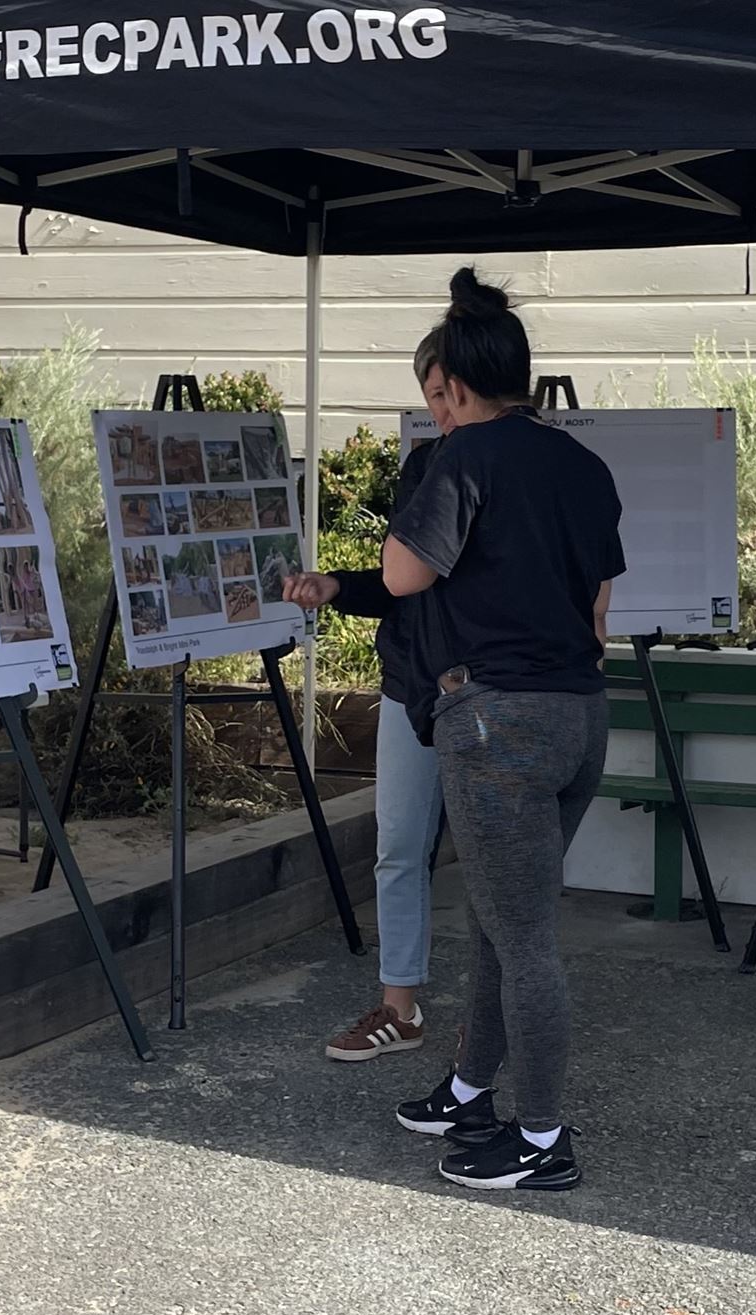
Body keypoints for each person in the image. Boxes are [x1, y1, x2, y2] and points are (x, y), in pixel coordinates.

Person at [376, 267, 623, 1190]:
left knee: (523, 941)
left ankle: (544, 1137)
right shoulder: (583, 465)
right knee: (503, 913)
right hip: (580, 716)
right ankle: (471, 1087)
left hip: (496, 725)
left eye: (439, 391)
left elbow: (402, 576)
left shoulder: (466, 458)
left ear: (458, 382)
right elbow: (599, 607)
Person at [286, 330, 460, 1062]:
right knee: (399, 846)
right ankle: (400, 1007)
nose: (443, 408)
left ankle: (503, 1017)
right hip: (409, 687)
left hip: (491, 695)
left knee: (496, 862)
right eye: (432, 395)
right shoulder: (425, 465)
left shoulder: (520, 468)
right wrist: (336, 586)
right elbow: (401, 583)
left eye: (450, 392)